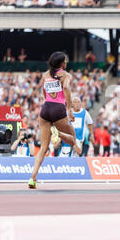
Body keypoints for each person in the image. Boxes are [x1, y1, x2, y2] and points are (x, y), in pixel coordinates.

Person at [28, 52, 81, 189]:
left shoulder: (46, 75)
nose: (66, 63)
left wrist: (48, 100)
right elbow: (67, 88)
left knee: (43, 148)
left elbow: (44, 92)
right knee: (73, 138)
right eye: (66, 61)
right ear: (62, 63)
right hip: (58, 109)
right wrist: (68, 109)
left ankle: (33, 177)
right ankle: (59, 133)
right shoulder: (66, 75)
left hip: (45, 109)